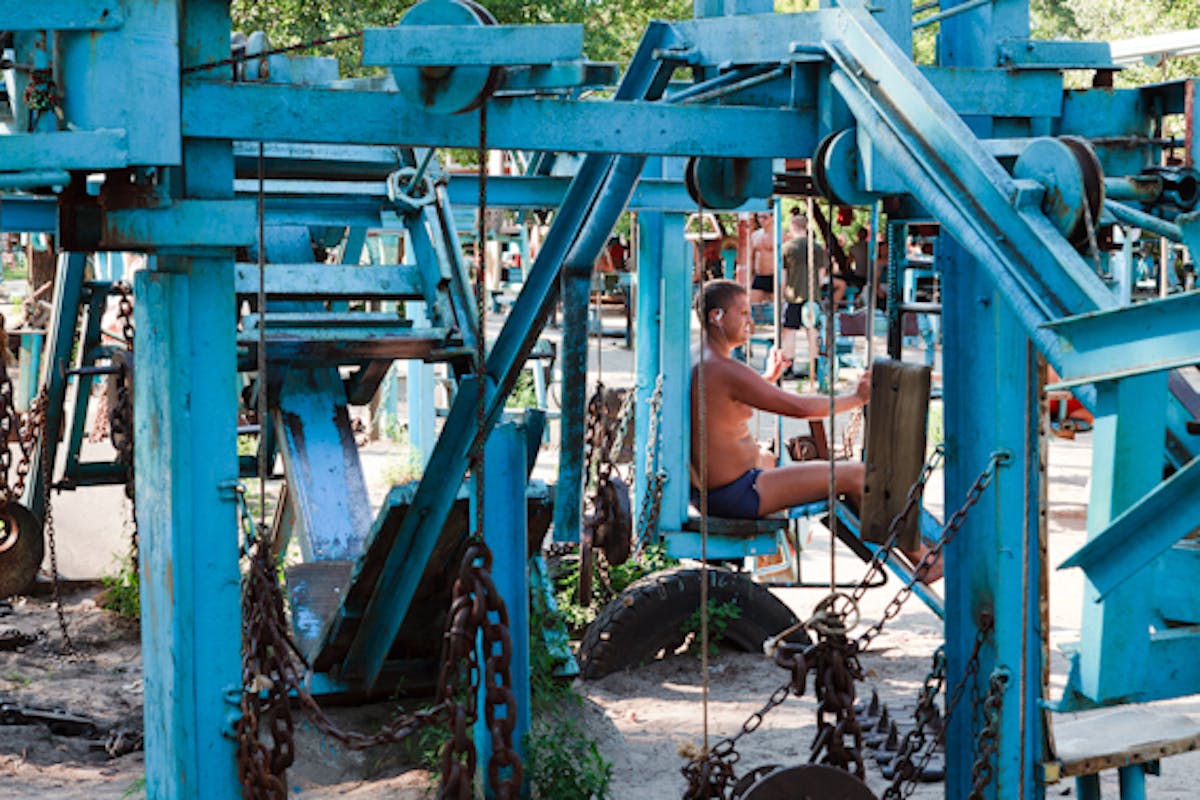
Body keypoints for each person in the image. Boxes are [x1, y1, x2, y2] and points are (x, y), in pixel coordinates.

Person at [690, 279, 942, 582]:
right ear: (717, 316)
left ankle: (913, 549)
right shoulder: (723, 368)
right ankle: (923, 561)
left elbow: (723, 401)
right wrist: (856, 398)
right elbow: (799, 408)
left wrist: (766, 378)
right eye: (743, 313)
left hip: (725, 488)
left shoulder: (702, 357)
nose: (750, 322)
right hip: (738, 493)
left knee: (779, 460)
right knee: (858, 475)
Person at [780, 213, 826, 375]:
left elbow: (783, 276)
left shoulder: (786, 248)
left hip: (792, 296)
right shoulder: (818, 247)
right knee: (812, 332)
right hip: (812, 296)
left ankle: (789, 367)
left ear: (793, 227)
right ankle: (815, 367)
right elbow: (821, 276)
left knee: (789, 331)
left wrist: (782, 294)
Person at [749, 211, 775, 304]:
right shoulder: (755, 235)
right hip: (759, 275)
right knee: (753, 305)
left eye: (764, 217)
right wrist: (750, 276)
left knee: (776, 307)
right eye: (759, 217)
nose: (761, 220)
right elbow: (751, 258)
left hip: (774, 276)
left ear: (772, 217)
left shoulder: (780, 235)